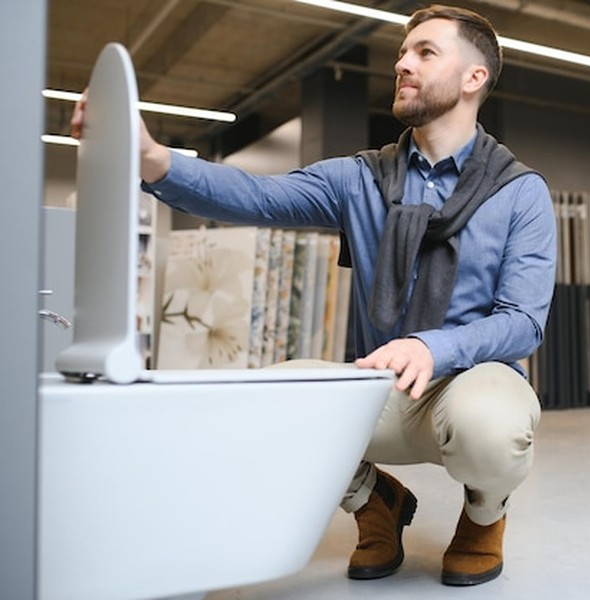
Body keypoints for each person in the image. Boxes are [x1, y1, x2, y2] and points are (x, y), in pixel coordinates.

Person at [72, 4, 556, 587]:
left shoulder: (520, 193)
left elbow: (523, 321)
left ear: (474, 77)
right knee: (267, 400)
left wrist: (433, 346)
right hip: (382, 383)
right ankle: (378, 504)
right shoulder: (361, 179)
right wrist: (152, 158)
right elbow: (254, 196)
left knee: (492, 425)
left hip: (469, 380)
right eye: (402, 52)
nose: (403, 63)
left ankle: (483, 516)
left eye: (426, 52)